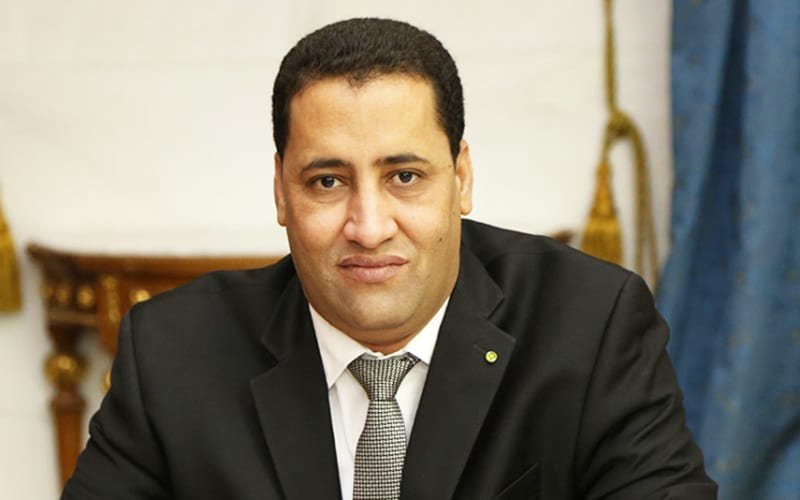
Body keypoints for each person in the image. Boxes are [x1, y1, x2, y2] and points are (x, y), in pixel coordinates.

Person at [62, 18, 717, 499]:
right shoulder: (173, 353)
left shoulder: (590, 324)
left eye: (404, 176)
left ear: (461, 178)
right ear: (281, 192)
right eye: (327, 181)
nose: (369, 228)